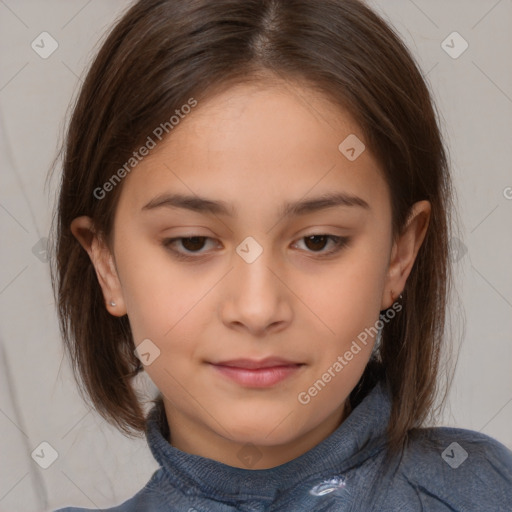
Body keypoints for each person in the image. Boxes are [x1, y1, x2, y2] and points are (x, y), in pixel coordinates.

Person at [50, 0, 512, 510]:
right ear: (107, 266)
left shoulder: (483, 491)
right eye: (193, 242)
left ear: (400, 254)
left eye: (318, 241)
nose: (257, 308)